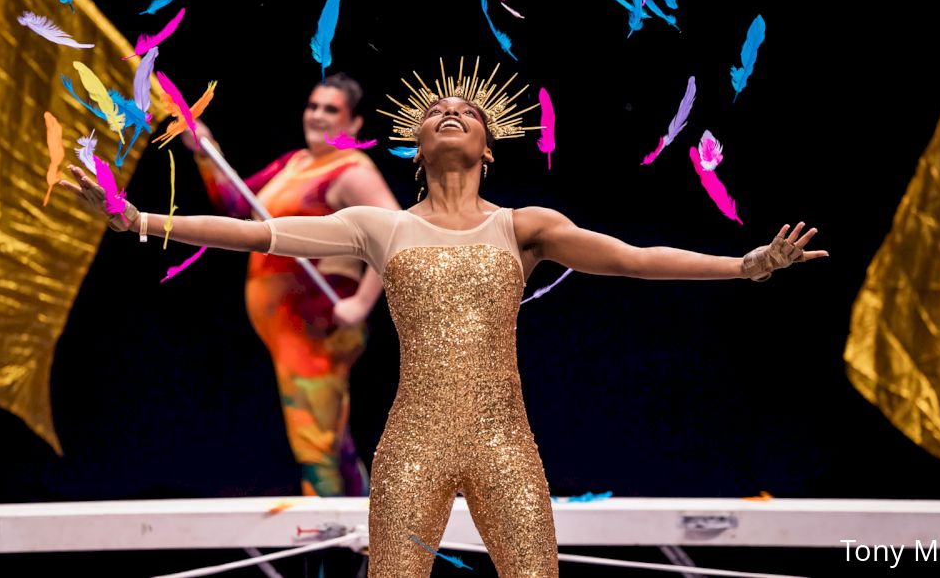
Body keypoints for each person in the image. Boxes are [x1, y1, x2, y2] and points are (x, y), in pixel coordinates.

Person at [62, 59, 827, 577]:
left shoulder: (525, 225)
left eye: (466, 111)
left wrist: (746, 265)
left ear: (489, 149)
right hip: (413, 445)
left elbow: (634, 257)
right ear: (416, 148)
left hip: (506, 444)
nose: (451, 111)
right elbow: (257, 233)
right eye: (436, 111)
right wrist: (135, 220)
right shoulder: (381, 227)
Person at [180, 73, 400, 497]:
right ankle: (361, 540)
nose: (317, 115)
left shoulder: (352, 171)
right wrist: (204, 149)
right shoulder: (297, 163)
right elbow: (239, 206)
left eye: (330, 109)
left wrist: (361, 302)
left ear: (354, 124)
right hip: (288, 330)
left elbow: (395, 237)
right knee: (329, 443)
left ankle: (334, 544)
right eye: (313, 106)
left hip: (319, 329)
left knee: (317, 443)